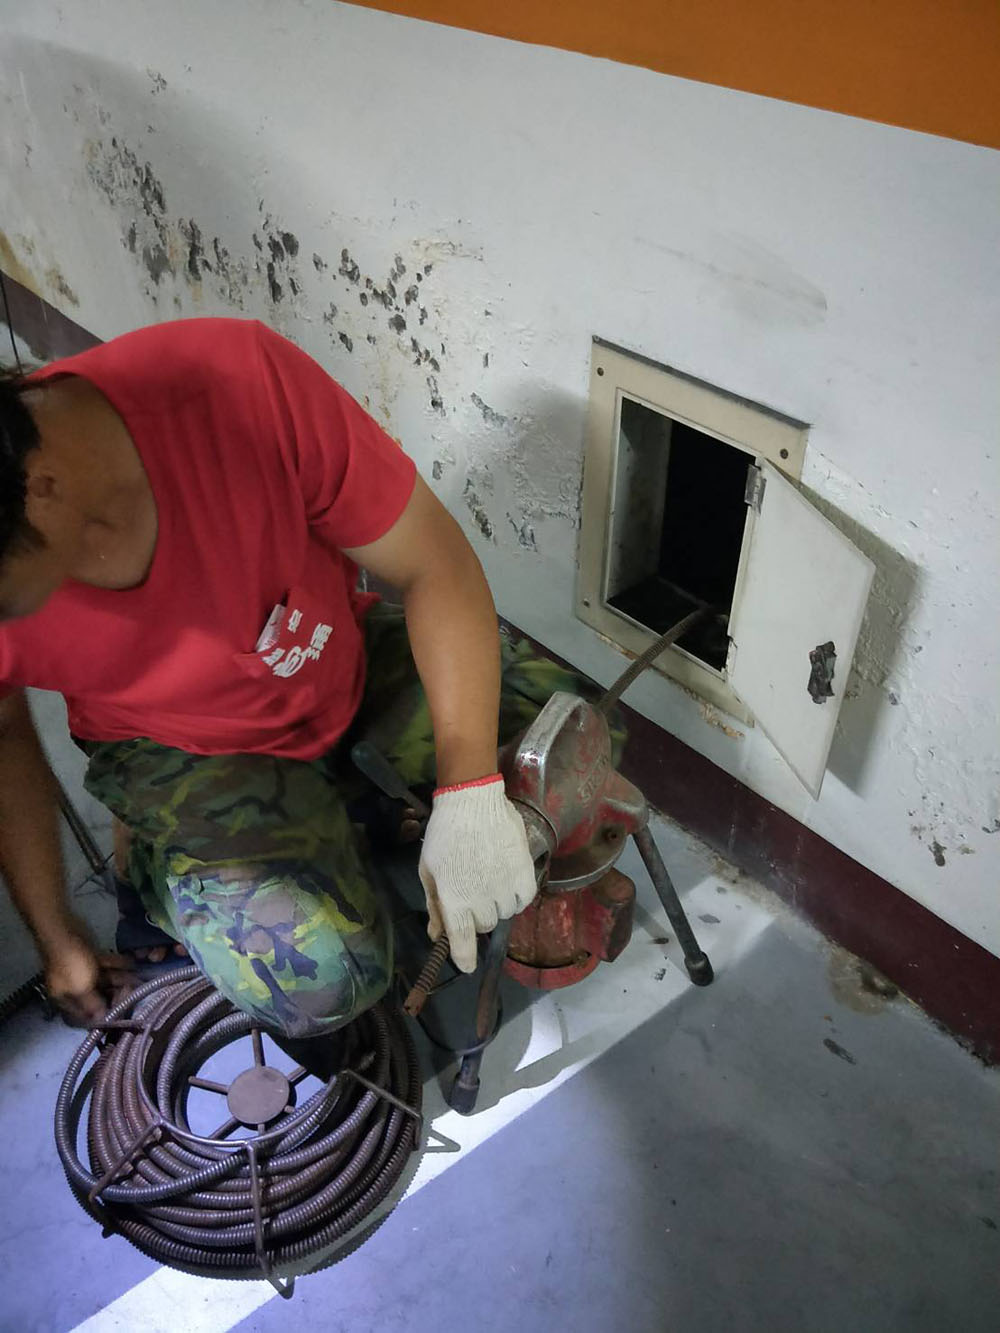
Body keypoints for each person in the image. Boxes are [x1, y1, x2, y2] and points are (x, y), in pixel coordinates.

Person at [0, 317, 594, 1037]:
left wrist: (469, 792)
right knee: (321, 980)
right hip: (181, 750)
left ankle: (341, 803)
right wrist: (56, 937)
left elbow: (432, 563)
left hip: (325, 663)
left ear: (39, 490)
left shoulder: (234, 386)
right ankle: (154, 862)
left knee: (575, 731)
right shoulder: (21, 548)